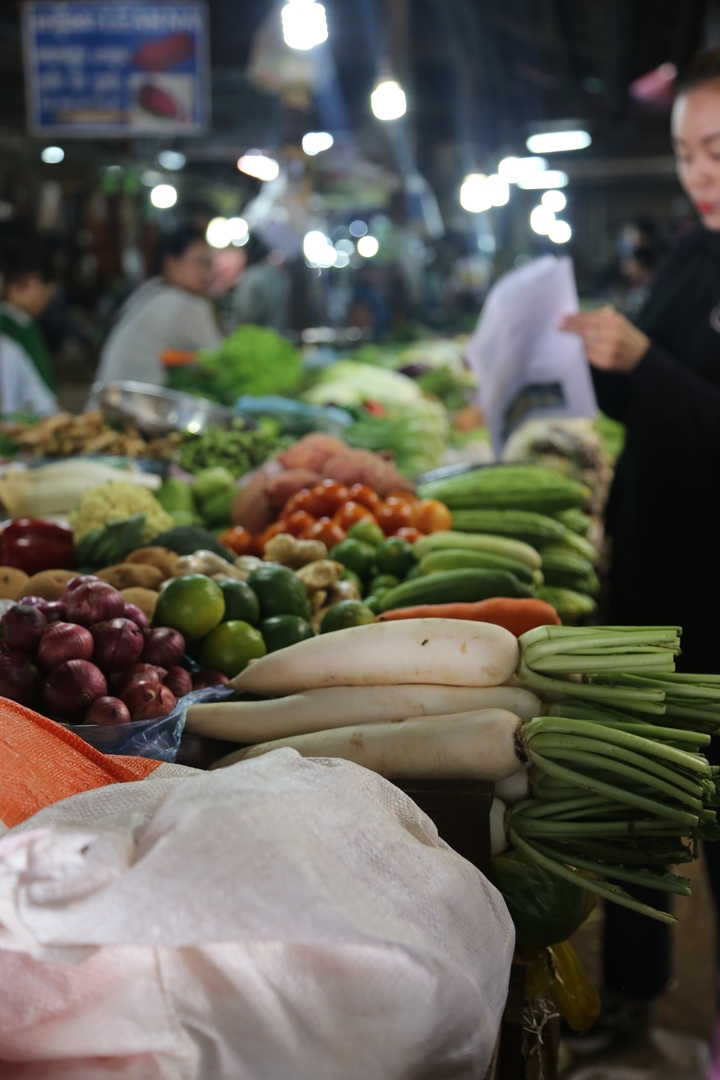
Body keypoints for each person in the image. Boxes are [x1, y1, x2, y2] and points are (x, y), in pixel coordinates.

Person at [559, 48, 720, 1053]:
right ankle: (627, 1004)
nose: (700, 172)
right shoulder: (696, 249)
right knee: (633, 807)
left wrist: (645, 361)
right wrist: (585, 364)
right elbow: (651, 403)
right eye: (686, 152)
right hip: (654, 580)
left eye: (718, 150)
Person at [95, 226, 221, 388]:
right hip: (135, 406)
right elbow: (218, 359)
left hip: (106, 397)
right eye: (199, 263)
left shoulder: (151, 290)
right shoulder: (187, 303)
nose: (207, 273)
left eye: (209, 264)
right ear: (171, 263)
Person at [0, 232, 58, 416]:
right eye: (47, 290)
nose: (47, 299)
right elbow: (48, 406)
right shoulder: (22, 330)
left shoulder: (10, 348)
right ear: (30, 281)